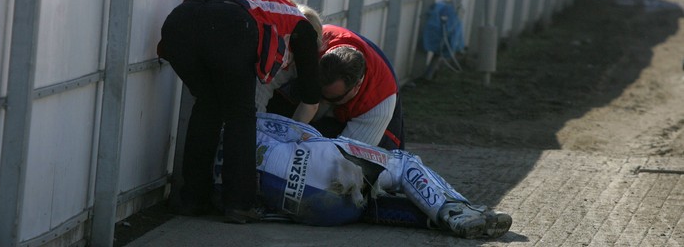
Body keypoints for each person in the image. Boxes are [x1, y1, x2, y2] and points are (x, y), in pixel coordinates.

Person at [157, 0, 322, 223]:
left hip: (178, 23)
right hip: (229, 24)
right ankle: (239, 203)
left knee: (208, 105)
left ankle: (192, 199)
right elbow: (311, 101)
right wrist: (289, 143)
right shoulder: (303, 29)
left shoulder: (268, 8)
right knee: (240, 114)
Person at [213, 112, 512, 239]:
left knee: (365, 202)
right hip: (313, 167)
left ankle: (436, 221)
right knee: (401, 165)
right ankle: (455, 211)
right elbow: (302, 133)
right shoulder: (245, 122)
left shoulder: (208, 173)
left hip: (307, 211)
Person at [266, 24, 404, 150]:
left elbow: (346, 158)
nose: (320, 102)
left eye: (331, 99)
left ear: (357, 86)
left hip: (373, 109)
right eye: (318, 91)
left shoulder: (378, 103)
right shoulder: (313, 40)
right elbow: (266, 84)